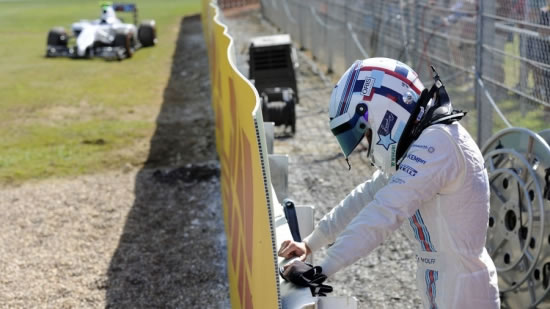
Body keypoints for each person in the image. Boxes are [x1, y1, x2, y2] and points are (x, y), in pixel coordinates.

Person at [278, 58, 500, 308]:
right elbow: (366, 196)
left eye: (368, 132)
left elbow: (384, 211)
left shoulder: (438, 144)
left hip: (464, 291)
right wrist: (311, 242)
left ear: (386, 114)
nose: (368, 144)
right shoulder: (423, 141)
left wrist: (322, 268)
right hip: (444, 283)